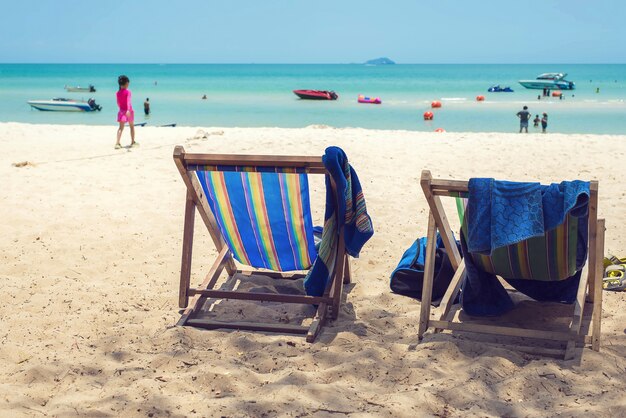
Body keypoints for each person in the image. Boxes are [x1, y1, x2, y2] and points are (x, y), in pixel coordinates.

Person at [115, 75, 137, 149]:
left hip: (121, 111)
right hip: (129, 111)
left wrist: (122, 109)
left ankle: (117, 143)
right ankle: (133, 142)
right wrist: (128, 110)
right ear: (126, 83)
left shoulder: (117, 93)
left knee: (120, 128)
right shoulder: (128, 92)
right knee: (131, 127)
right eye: (128, 83)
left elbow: (118, 103)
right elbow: (128, 101)